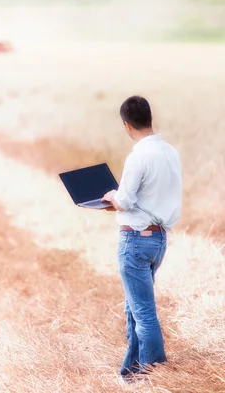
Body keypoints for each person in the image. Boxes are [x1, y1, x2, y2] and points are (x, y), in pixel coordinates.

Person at [101, 96, 182, 382]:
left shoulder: (138, 156)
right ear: (149, 117)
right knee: (134, 307)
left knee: (143, 312)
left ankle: (153, 373)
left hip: (135, 241)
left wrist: (111, 196)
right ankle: (131, 373)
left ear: (127, 126)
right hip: (158, 240)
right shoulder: (171, 152)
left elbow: (123, 200)